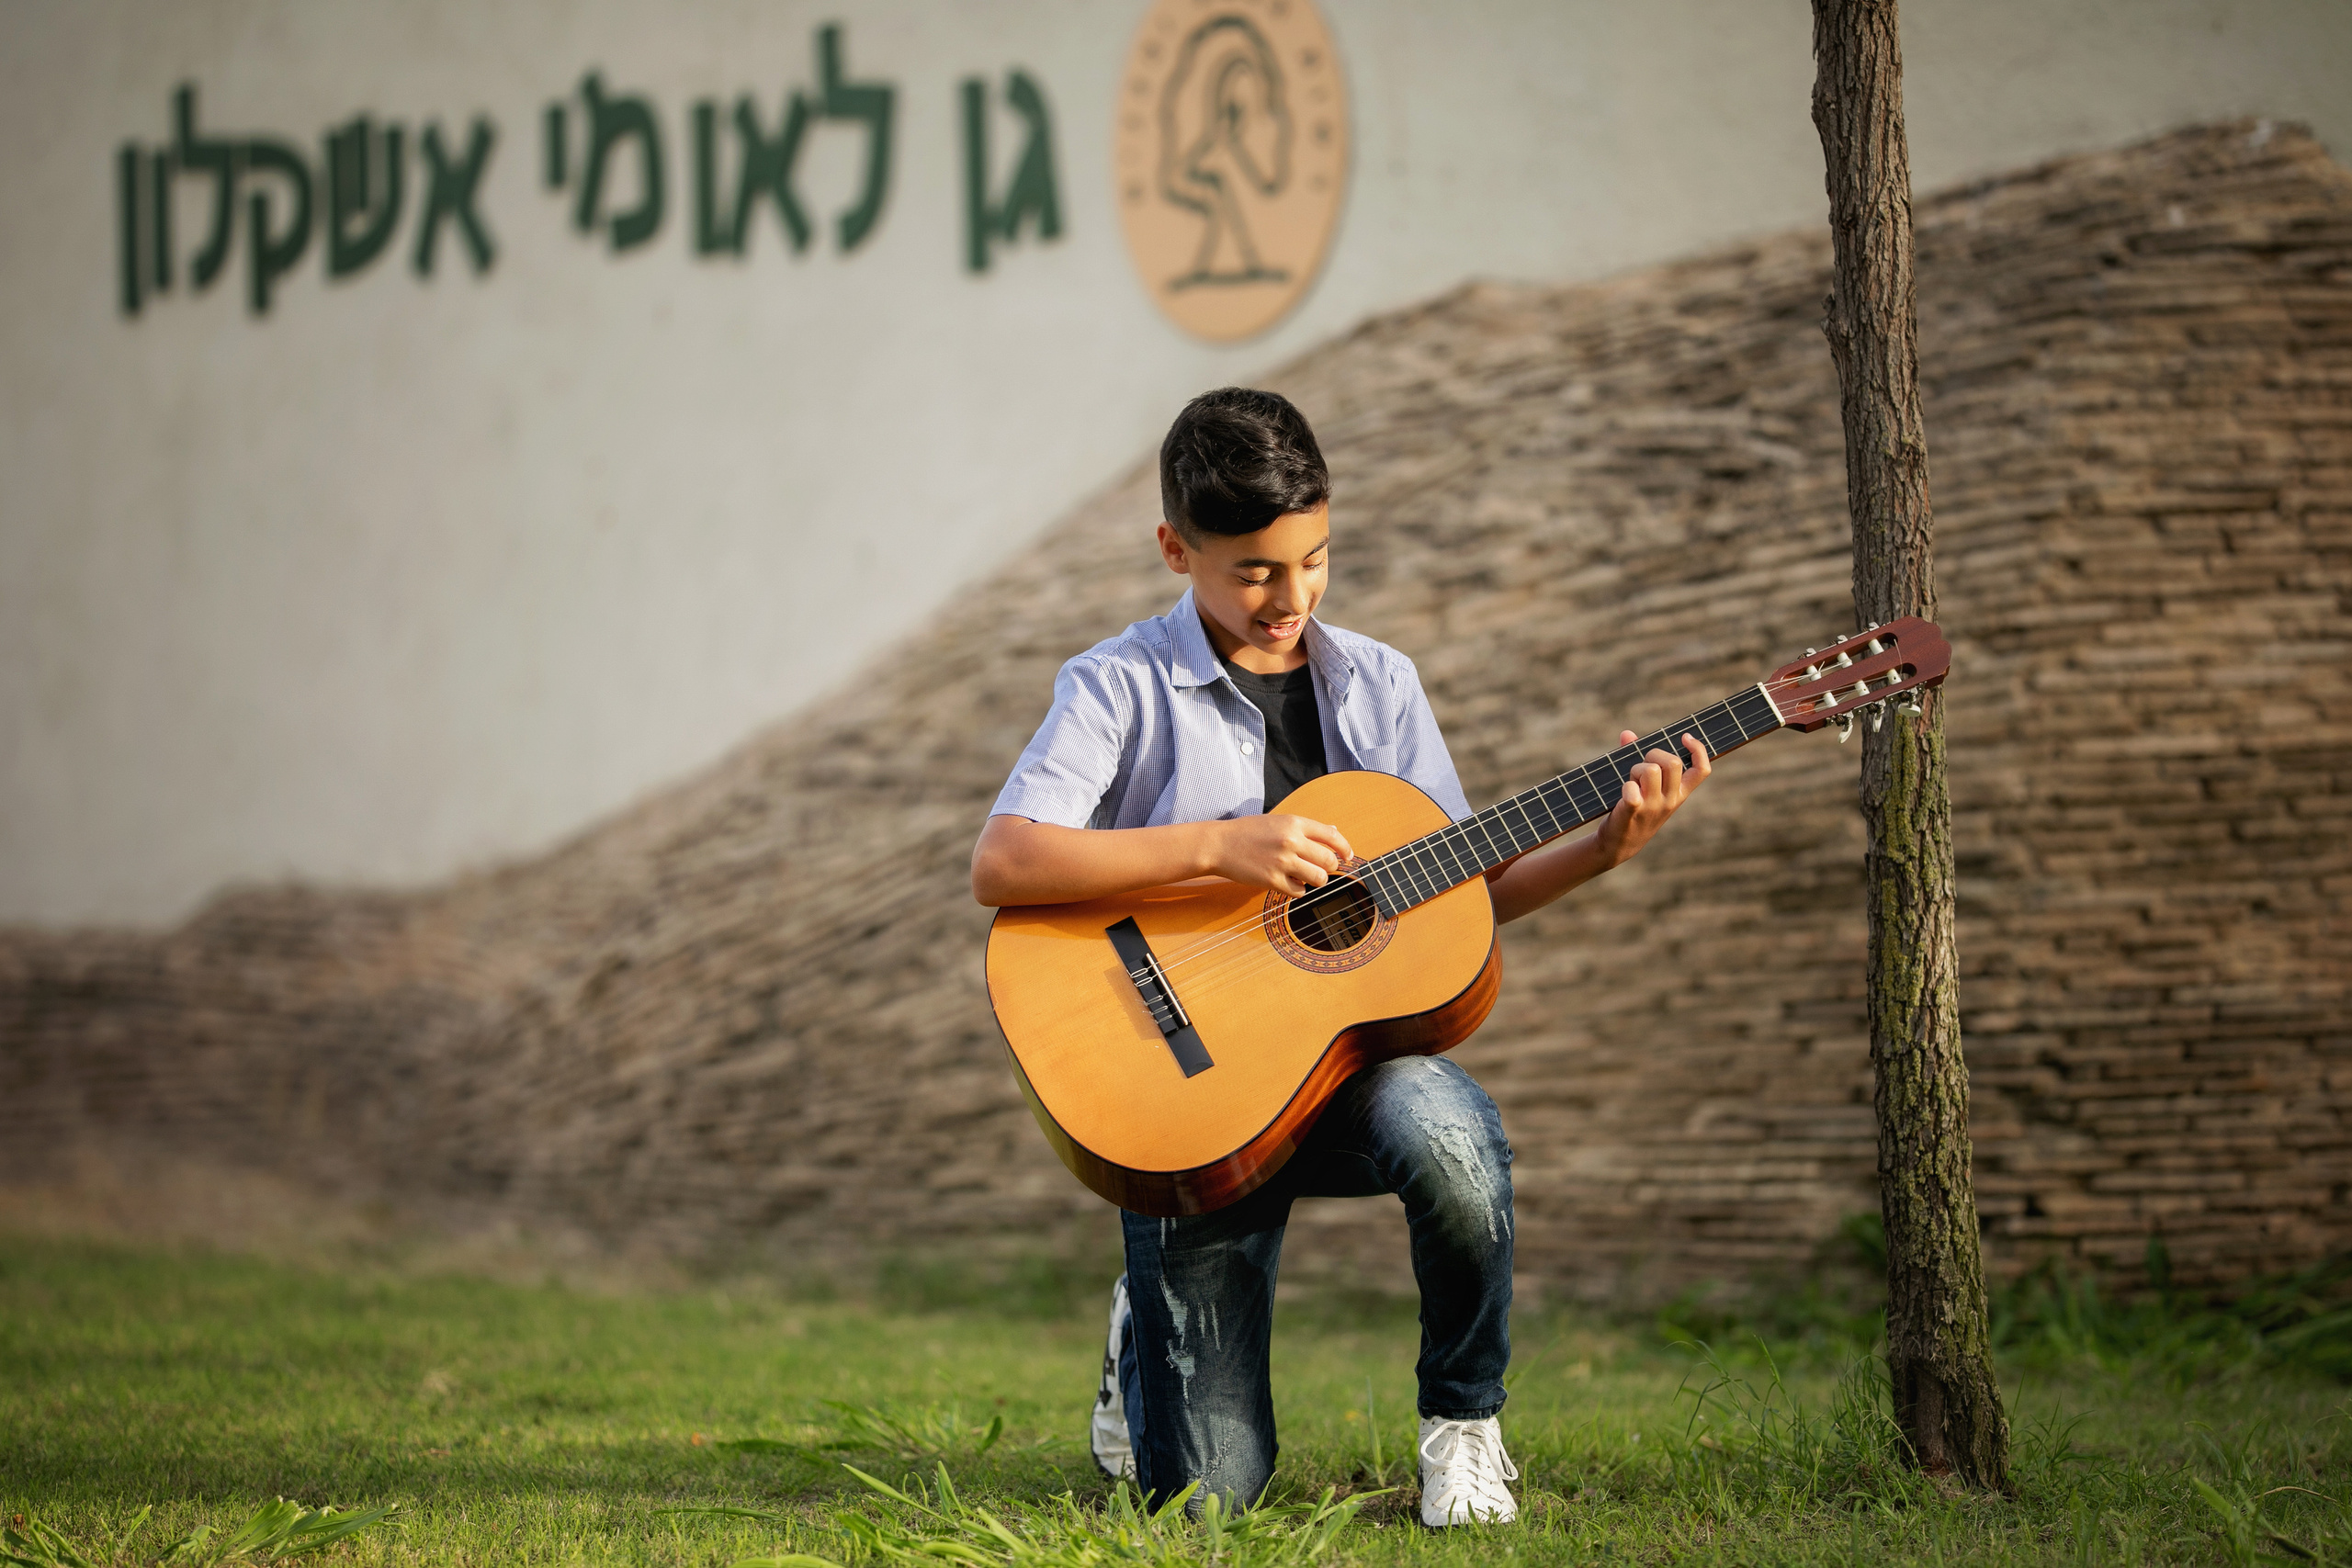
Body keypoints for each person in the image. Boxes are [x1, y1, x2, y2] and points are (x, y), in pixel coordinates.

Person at [969, 388, 1709, 1526]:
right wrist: (1224, 844)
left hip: (1346, 1075)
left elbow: (1468, 891)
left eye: (1314, 560)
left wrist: (1602, 850)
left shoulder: (1380, 683)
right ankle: (1144, 1323)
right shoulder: (1116, 685)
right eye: (1254, 571)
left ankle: (1463, 1426)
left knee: (1454, 1134)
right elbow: (1006, 862)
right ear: (1177, 549)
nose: (1291, 597)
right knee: (1209, 1503)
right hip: (1185, 1106)